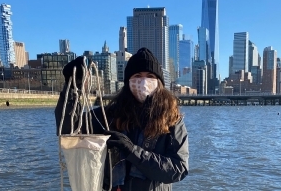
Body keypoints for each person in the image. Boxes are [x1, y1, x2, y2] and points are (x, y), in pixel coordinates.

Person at [55, 47, 189, 191]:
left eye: (150, 76)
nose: (143, 81)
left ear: (159, 82)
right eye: (137, 75)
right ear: (128, 81)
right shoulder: (110, 115)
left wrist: (133, 151)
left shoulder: (173, 119)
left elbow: (178, 169)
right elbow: (69, 129)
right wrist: (72, 88)